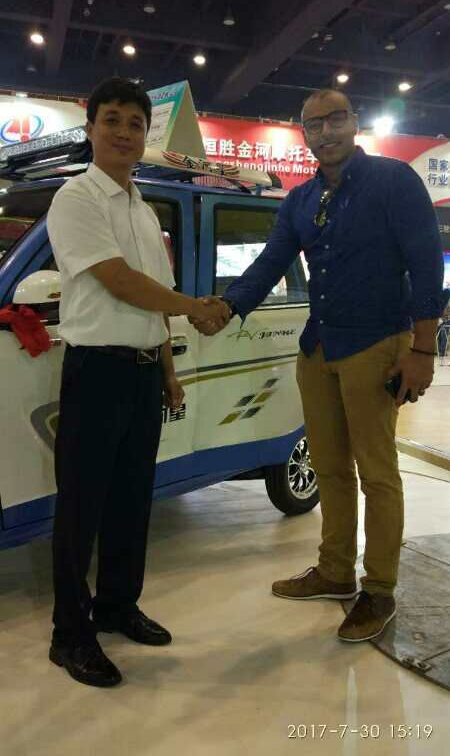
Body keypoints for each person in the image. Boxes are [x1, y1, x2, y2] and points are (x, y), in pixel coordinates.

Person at [192, 89, 448, 643]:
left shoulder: (394, 181)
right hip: (318, 349)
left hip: (377, 344)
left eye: (335, 119)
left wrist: (423, 349)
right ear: (304, 134)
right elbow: (271, 261)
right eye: (314, 124)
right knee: (329, 467)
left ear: (354, 122)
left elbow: (427, 262)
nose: (325, 132)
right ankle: (335, 571)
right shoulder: (301, 199)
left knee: (377, 473)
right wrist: (228, 306)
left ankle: (379, 589)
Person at [47, 77, 229, 687]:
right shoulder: (76, 198)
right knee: (81, 506)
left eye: (135, 123)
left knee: (131, 499)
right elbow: (119, 281)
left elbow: (152, 299)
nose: (124, 133)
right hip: (96, 372)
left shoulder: (144, 210)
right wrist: (196, 307)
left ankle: (117, 606)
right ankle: (69, 635)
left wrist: (169, 370)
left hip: (145, 374)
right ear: (91, 128)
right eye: (113, 120)